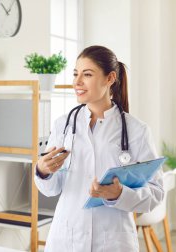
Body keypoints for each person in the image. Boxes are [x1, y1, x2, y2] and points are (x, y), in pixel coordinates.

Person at [35, 45, 163, 252]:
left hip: (113, 241)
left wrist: (118, 194)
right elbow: (51, 189)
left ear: (110, 78)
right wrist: (43, 171)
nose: (77, 82)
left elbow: (156, 194)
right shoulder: (63, 125)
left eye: (87, 74)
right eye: (76, 74)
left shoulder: (136, 130)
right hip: (66, 237)